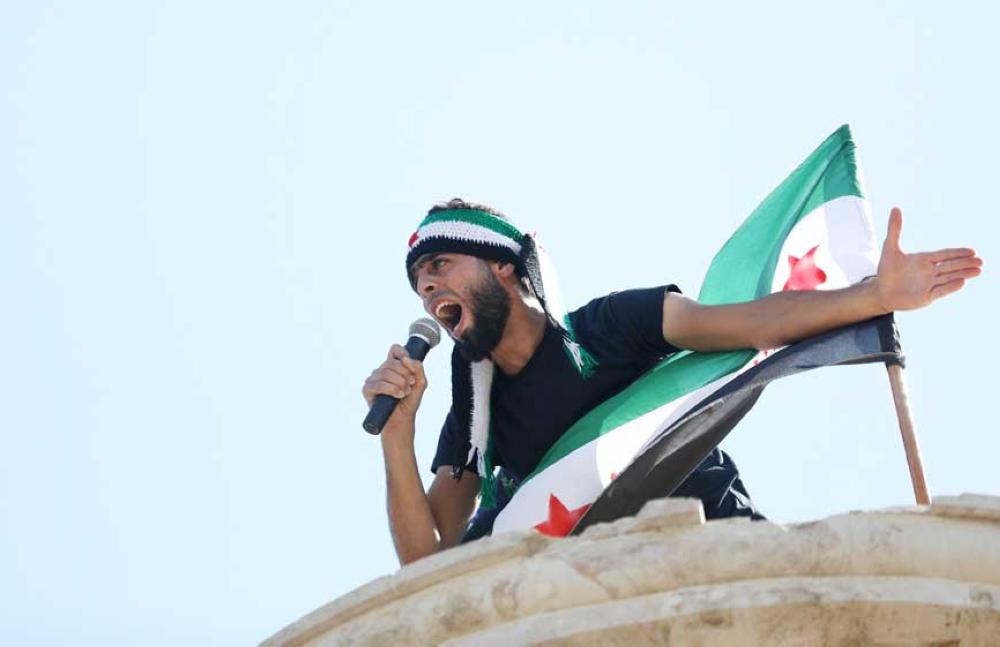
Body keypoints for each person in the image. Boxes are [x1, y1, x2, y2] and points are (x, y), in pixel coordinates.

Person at [363, 199, 981, 566]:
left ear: (503, 265)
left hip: (716, 549)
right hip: (581, 594)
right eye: (419, 281)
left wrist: (876, 293)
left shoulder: (609, 326)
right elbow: (428, 563)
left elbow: (745, 325)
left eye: (439, 265)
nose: (427, 287)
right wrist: (397, 436)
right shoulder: (476, 410)